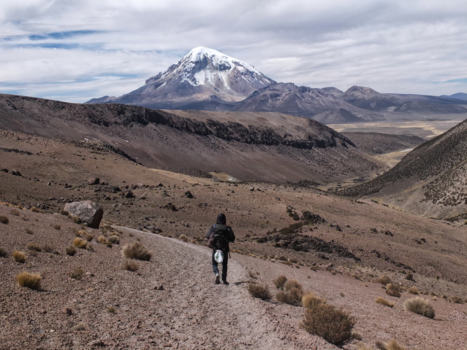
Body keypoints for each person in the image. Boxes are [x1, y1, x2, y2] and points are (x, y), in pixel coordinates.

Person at [206, 213, 235, 285]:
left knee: (214, 263)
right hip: (224, 249)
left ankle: (216, 273)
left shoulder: (214, 226)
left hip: (215, 248)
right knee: (224, 264)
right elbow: (233, 238)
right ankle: (224, 280)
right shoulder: (227, 228)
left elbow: (207, 236)